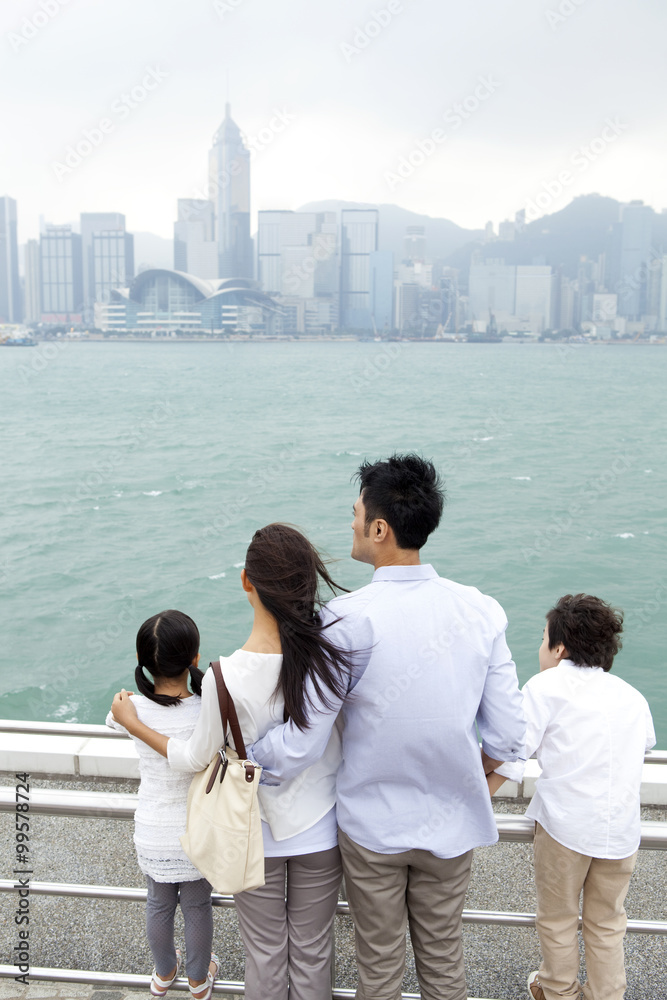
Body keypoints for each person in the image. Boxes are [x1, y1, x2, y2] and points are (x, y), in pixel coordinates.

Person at [247, 454, 526, 1000]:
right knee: (444, 965)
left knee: (378, 970)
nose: (350, 523)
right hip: (451, 826)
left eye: (355, 513)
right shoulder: (480, 610)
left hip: (370, 827)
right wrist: (476, 783)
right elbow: (511, 737)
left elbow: (303, 743)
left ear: (380, 528)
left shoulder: (345, 619)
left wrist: (246, 752)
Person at [110, 523, 356, 1000]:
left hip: (252, 835)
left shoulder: (223, 677)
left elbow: (190, 757)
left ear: (247, 581)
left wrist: (134, 724)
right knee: (313, 951)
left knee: (264, 955)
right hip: (322, 826)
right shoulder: (329, 658)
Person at [489, 594, 656, 1000]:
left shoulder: (545, 686)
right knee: (607, 923)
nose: (540, 647)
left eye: (543, 637)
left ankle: (559, 993)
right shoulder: (631, 696)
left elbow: (513, 754)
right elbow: (645, 745)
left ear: (560, 647)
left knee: (559, 920)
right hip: (620, 831)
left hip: (566, 827)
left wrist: (470, 801)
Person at [105, 610, 219, 1000]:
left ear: (144, 663)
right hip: (197, 829)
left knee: (158, 904)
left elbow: (112, 719)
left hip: (153, 829)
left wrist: (127, 701)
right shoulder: (205, 708)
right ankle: (199, 979)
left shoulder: (131, 710)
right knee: (197, 906)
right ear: (194, 657)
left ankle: (163, 973)